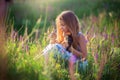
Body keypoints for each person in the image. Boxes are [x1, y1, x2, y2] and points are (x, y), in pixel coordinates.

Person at [55, 10, 88, 80]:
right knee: (53, 47)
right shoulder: (65, 35)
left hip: (79, 64)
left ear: (70, 24)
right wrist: (53, 41)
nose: (61, 27)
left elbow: (85, 56)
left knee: (55, 47)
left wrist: (70, 49)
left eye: (63, 25)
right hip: (70, 63)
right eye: (60, 25)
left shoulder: (80, 36)